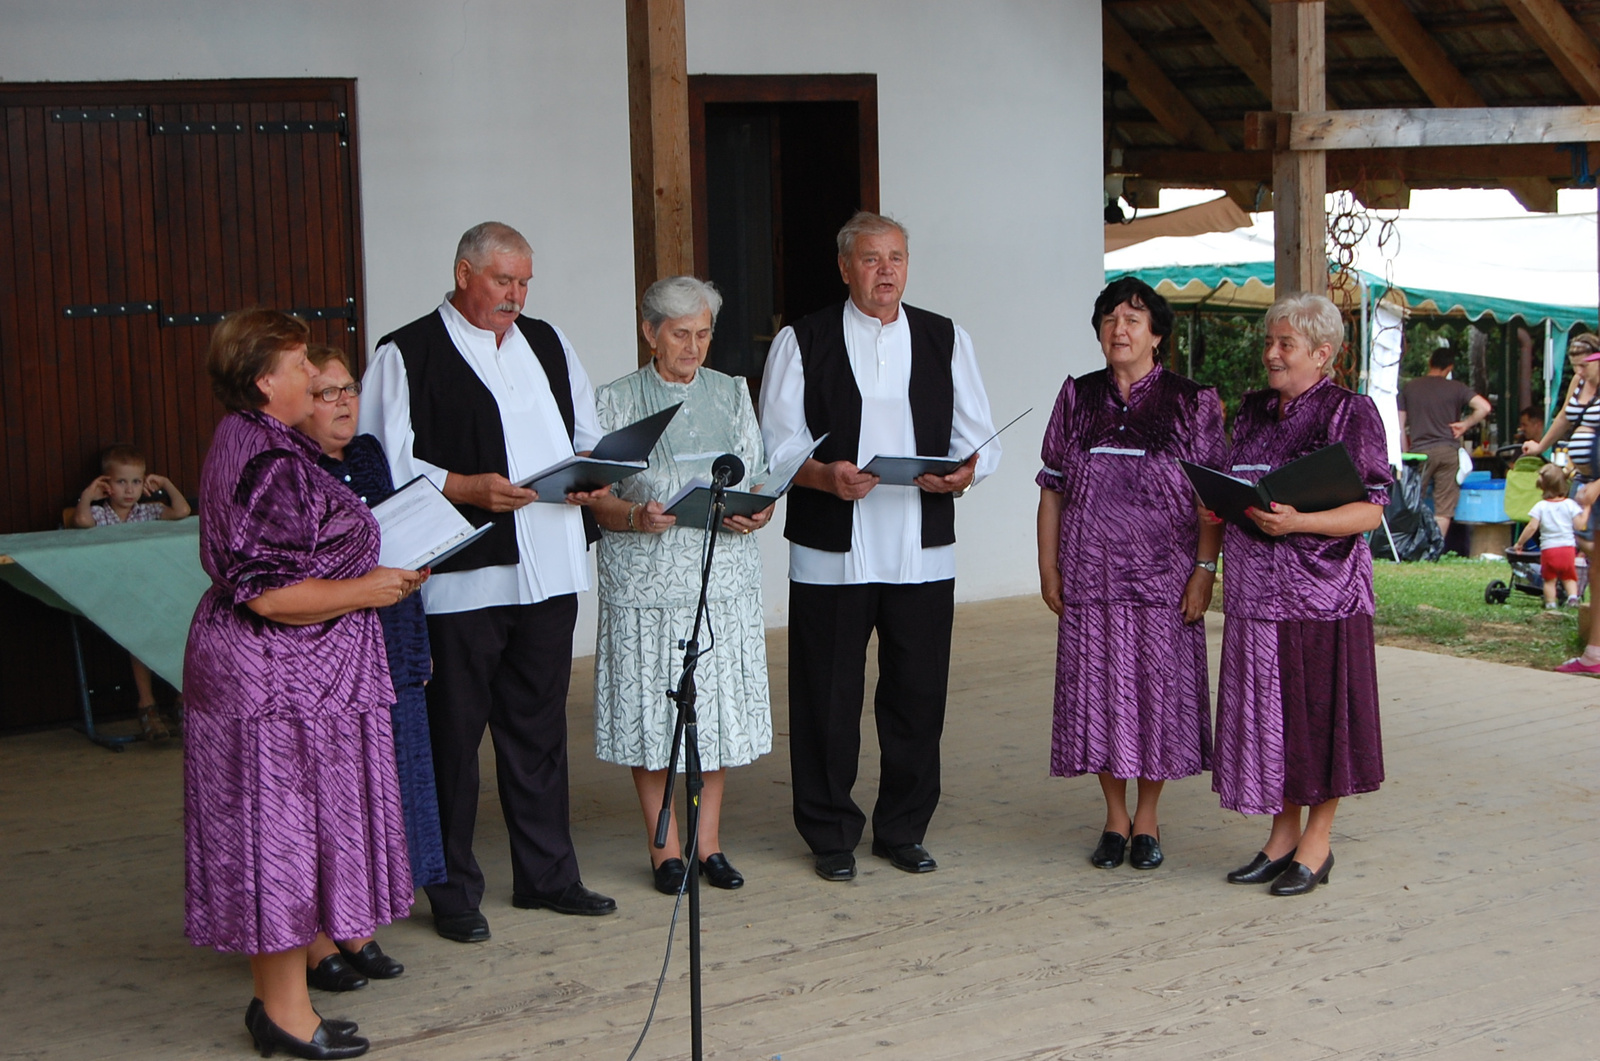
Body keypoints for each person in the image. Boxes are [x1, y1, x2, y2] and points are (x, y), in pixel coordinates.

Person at [359, 221, 616, 943]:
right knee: (452, 736)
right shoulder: (405, 351)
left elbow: (586, 429)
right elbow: (385, 460)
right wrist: (465, 485)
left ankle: (548, 876)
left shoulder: (548, 341)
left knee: (538, 732)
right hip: (463, 576)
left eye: (525, 280)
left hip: (550, 563)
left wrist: (593, 470)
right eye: (504, 280)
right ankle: (451, 890)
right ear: (464, 272)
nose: (516, 294)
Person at [184, 308, 426, 1059]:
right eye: (298, 369)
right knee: (282, 845)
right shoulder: (272, 461)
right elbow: (268, 593)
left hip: (280, 682)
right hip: (278, 687)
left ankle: (276, 1004)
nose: (312, 381)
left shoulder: (252, 440)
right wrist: (371, 588)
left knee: (276, 840)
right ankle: (288, 1016)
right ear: (264, 381)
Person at [760, 211, 999, 882]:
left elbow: (984, 436)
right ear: (845, 268)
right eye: (871, 258)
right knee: (826, 698)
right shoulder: (801, 339)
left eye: (896, 257)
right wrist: (820, 475)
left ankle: (903, 827)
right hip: (832, 550)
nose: (886, 270)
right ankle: (831, 832)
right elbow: (774, 448)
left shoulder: (946, 337)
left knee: (918, 694)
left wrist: (966, 469)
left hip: (922, 550)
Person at [576, 276, 772, 895]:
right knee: (653, 713)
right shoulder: (613, 400)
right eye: (681, 334)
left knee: (711, 714)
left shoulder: (733, 392)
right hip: (646, 583)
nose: (694, 347)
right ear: (649, 333)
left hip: (721, 575)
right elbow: (591, 494)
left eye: (704, 333)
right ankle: (665, 850)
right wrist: (635, 515)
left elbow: (760, 476)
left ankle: (709, 846)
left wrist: (759, 509)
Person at [1035, 277, 1224, 872]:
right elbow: (1052, 490)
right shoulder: (1077, 396)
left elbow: (1213, 500)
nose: (1120, 329)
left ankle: (1148, 817)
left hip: (1164, 580)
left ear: (1157, 334)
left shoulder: (1192, 402)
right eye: (1110, 318)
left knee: (1154, 698)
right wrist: (1049, 566)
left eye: (1134, 319)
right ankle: (1114, 818)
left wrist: (1203, 570)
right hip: (1091, 578)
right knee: (1098, 695)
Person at [1211, 293, 1390, 898]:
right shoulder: (1256, 409)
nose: (1271, 354)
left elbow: (1370, 511)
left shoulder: (1351, 412)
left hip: (1322, 596)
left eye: (1285, 344)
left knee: (1319, 719)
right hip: (1256, 594)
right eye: (1269, 342)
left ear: (1323, 353)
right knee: (1275, 722)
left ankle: (1318, 842)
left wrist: (1299, 523)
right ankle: (1280, 836)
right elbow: (1240, 480)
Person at [297, 343, 448, 987]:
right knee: (326, 798)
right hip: (328, 651)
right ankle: (312, 939)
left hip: (392, 635)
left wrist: (419, 558)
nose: (341, 404)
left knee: (381, 791)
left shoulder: (367, 454)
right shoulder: (290, 468)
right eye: (325, 394)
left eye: (348, 390)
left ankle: (358, 928)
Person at [72, 443, 192, 742]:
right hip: (118, 597)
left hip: (154, 592)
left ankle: (181, 700)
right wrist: (88, 496)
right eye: (121, 482)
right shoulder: (100, 515)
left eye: (136, 482)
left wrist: (165, 484)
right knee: (141, 631)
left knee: (180, 625)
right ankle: (147, 705)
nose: (129, 489)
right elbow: (81, 522)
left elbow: (183, 510)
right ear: (106, 485)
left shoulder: (148, 511)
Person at [1398, 345, 1491, 542]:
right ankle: (1435, 548)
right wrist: (1465, 425)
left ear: (1430, 362)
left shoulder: (1410, 387)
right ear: (1449, 368)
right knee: (1444, 508)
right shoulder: (1456, 388)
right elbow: (1484, 407)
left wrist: (1405, 454)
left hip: (1419, 453)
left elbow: (1399, 424)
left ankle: (1408, 546)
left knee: (1412, 501)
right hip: (1448, 451)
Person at [1511, 464, 1583, 610]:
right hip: (1567, 549)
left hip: (1549, 550)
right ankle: (1573, 598)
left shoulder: (1541, 506)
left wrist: (1520, 543)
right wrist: (1586, 511)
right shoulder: (1570, 504)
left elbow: (1531, 527)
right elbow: (1579, 525)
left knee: (1549, 580)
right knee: (1569, 577)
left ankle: (1550, 605)